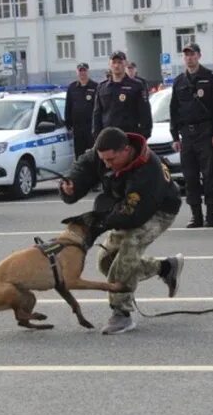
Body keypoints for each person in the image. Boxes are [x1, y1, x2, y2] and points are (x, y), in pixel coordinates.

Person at [59, 126, 184, 335]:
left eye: (111, 160)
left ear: (126, 150)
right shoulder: (105, 154)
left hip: (157, 211)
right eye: (104, 160)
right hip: (124, 207)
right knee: (105, 262)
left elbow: (134, 215)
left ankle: (121, 313)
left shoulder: (148, 170)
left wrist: (98, 223)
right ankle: (165, 268)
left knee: (127, 252)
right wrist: (71, 184)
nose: (106, 164)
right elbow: (85, 166)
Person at [169, 43, 213, 227]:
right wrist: (175, 136)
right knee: (190, 176)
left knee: (209, 175)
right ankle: (196, 216)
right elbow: (174, 111)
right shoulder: (179, 81)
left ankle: (210, 215)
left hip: (205, 132)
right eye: (186, 55)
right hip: (187, 134)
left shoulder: (210, 78)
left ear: (199, 56)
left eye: (192, 54)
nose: (189, 58)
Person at [92, 51, 152, 139]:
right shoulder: (102, 87)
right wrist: (97, 135)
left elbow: (145, 113)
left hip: (130, 135)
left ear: (125, 64)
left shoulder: (136, 86)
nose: (116, 65)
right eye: (114, 62)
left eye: (120, 62)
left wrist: (144, 135)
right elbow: (97, 113)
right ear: (109, 64)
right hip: (108, 136)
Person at [64, 62, 98, 158]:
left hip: (91, 127)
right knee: (79, 154)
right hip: (77, 128)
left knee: (93, 153)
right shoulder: (72, 87)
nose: (82, 73)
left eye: (84, 71)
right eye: (80, 71)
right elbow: (68, 106)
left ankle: (93, 173)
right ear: (77, 72)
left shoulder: (95, 86)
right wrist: (68, 124)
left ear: (88, 72)